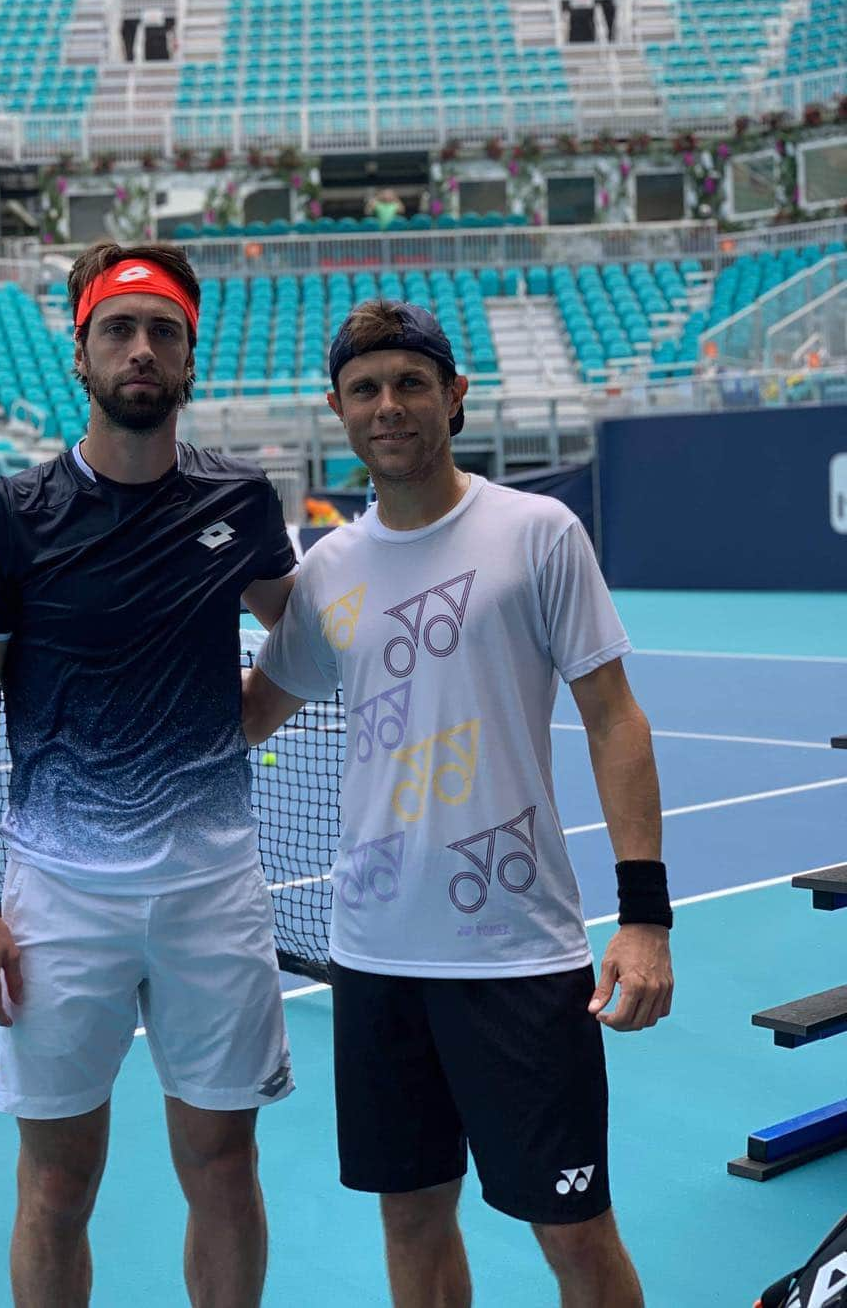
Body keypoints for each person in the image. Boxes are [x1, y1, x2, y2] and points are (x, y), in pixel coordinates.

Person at [241, 299, 674, 1308]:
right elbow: (254, 710)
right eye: (364, 390)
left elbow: (615, 720)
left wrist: (645, 917)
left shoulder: (537, 533)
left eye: (409, 384)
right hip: (376, 955)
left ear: (453, 397)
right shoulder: (330, 570)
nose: (387, 406)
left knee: (574, 1236)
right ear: (338, 411)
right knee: (413, 1225)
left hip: (516, 956)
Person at [0, 240, 297, 1308]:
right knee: (55, 1183)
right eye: (119, 330)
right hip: (59, 899)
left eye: (163, 332)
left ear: (190, 358)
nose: (142, 349)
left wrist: (247, 718)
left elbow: (309, 635)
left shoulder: (245, 503)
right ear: (80, 354)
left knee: (226, 1169)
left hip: (212, 891)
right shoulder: (5, 520)